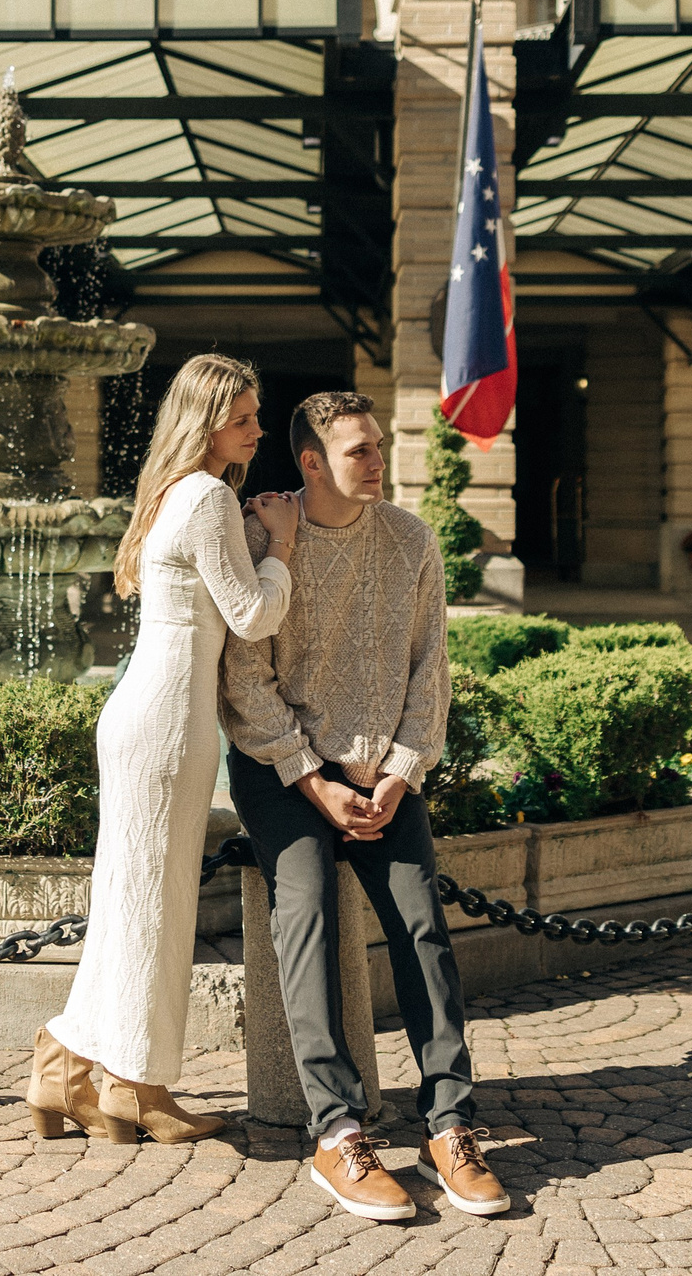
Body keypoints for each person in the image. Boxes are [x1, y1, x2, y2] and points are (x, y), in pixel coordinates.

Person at [220, 391, 510, 1221]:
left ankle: (450, 1123)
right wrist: (314, 779)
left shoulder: (412, 541)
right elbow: (245, 679)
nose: (377, 461)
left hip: (384, 774)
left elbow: (431, 669)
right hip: (283, 773)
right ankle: (337, 1132)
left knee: (421, 923)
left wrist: (402, 772)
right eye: (358, 451)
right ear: (311, 463)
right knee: (305, 914)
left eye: (378, 446)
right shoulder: (263, 539)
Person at [27, 354, 300, 1144]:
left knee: (129, 899)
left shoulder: (176, 492)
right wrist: (279, 542)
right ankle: (134, 1086)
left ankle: (64, 1065)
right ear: (209, 421)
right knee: (154, 903)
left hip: (146, 711)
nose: (257, 429)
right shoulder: (210, 494)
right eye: (245, 417)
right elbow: (251, 615)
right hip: (170, 721)